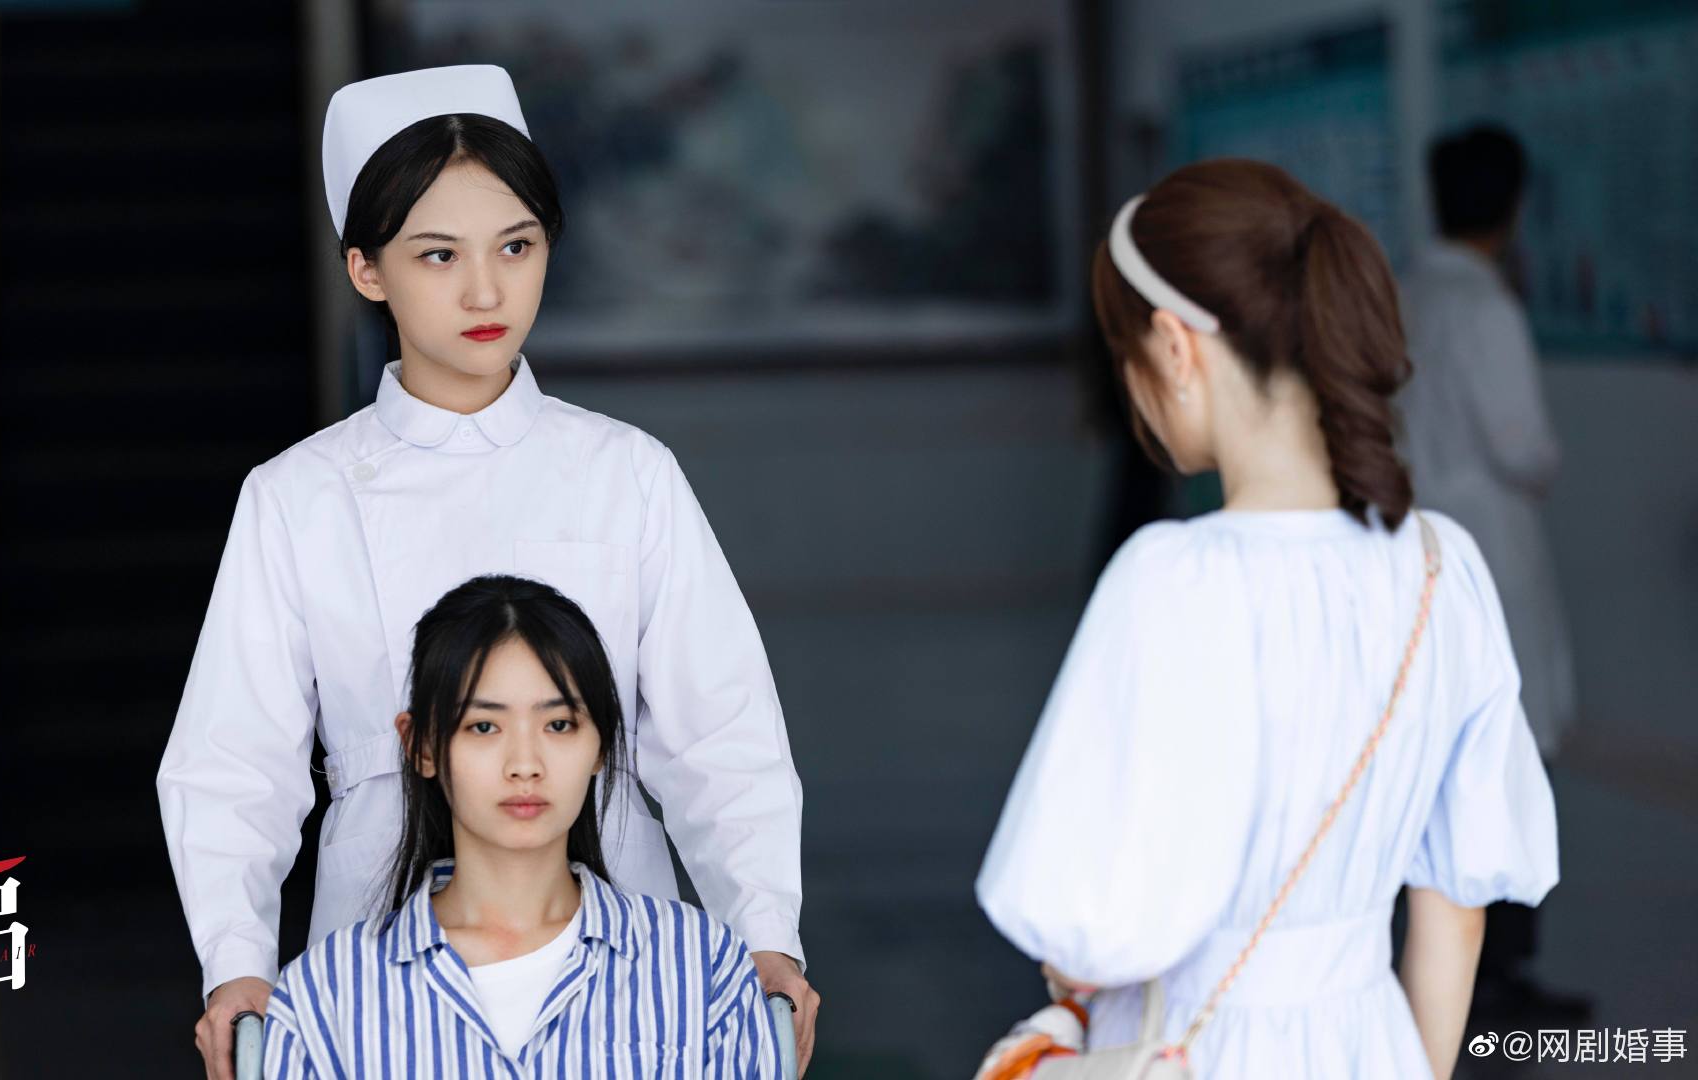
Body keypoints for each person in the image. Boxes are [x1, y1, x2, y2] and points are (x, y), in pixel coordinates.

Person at [157, 66, 815, 1080]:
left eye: (516, 247)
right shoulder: (299, 495)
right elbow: (233, 763)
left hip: (625, 954)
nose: (485, 291)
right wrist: (234, 962)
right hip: (377, 960)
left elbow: (722, 734)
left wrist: (765, 932)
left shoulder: (625, 472)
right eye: (438, 254)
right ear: (367, 270)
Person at [975, 159, 1559, 1080]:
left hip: (1187, 1049)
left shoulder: (1169, 578)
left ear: (1175, 348)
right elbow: (1456, 910)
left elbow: (1080, 930)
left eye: (1126, 355)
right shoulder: (1443, 567)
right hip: (1371, 1043)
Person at [261, 575, 783, 1077]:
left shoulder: (704, 969)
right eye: (484, 726)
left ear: (601, 743)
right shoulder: (323, 995)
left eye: (558, 724)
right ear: (421, 746)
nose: (525, 764)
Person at [1394, 126, 1583, 1021]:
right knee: (1504, 761)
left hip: (1410, 545)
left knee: (1436, 759)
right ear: (1513, 207)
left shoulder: (1403, 294)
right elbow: (1525, 449)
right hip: (1490, 551)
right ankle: (1500, 978)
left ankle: (1442, 969)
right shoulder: (1486, 308)